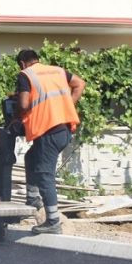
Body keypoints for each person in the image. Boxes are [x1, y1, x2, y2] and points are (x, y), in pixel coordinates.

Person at [14, 49, 85, 234]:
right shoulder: (57, 71)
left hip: (48, 131)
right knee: (31, 157)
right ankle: (32, 197)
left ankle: (53, 221)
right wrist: (67, 105)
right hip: (62, 129)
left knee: (45, 175)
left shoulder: (25, 75)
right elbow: (79, 84)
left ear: (22, 63)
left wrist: (16, 117)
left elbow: (22, 105)